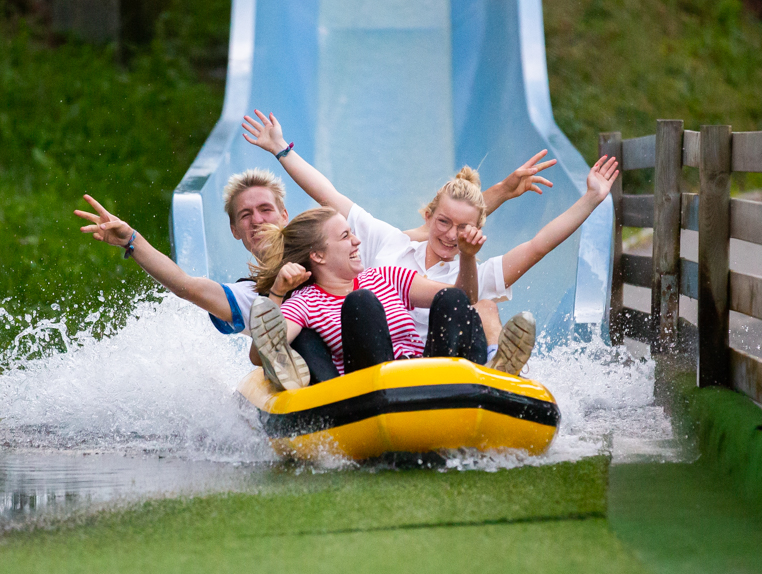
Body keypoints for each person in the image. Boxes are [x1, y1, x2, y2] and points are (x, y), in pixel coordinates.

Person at [241, 109, 619, 375]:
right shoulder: (389, 248)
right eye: (443, 222)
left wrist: (591, 199)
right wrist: (282, 151)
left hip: (438, 359)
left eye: (462, 228)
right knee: (354, 307)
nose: (450, 234)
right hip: (373, 355)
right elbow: (329, 195)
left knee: (472, 303)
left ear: (477, 230)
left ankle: (492, 368)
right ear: (428, 215)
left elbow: (538, 245)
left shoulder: (455, 272)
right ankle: (304, 377)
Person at [247, 206, 491, 389]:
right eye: (345, 236)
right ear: (319, 255)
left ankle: (482, 375)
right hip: (374, 389)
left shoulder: (384, 277)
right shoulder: (305, 302)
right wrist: (277, 292)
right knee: (361, 302)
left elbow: (464, 298)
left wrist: (467, 257)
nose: (357, 241)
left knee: (450, 297)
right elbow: (260, 356)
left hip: (425, 377)